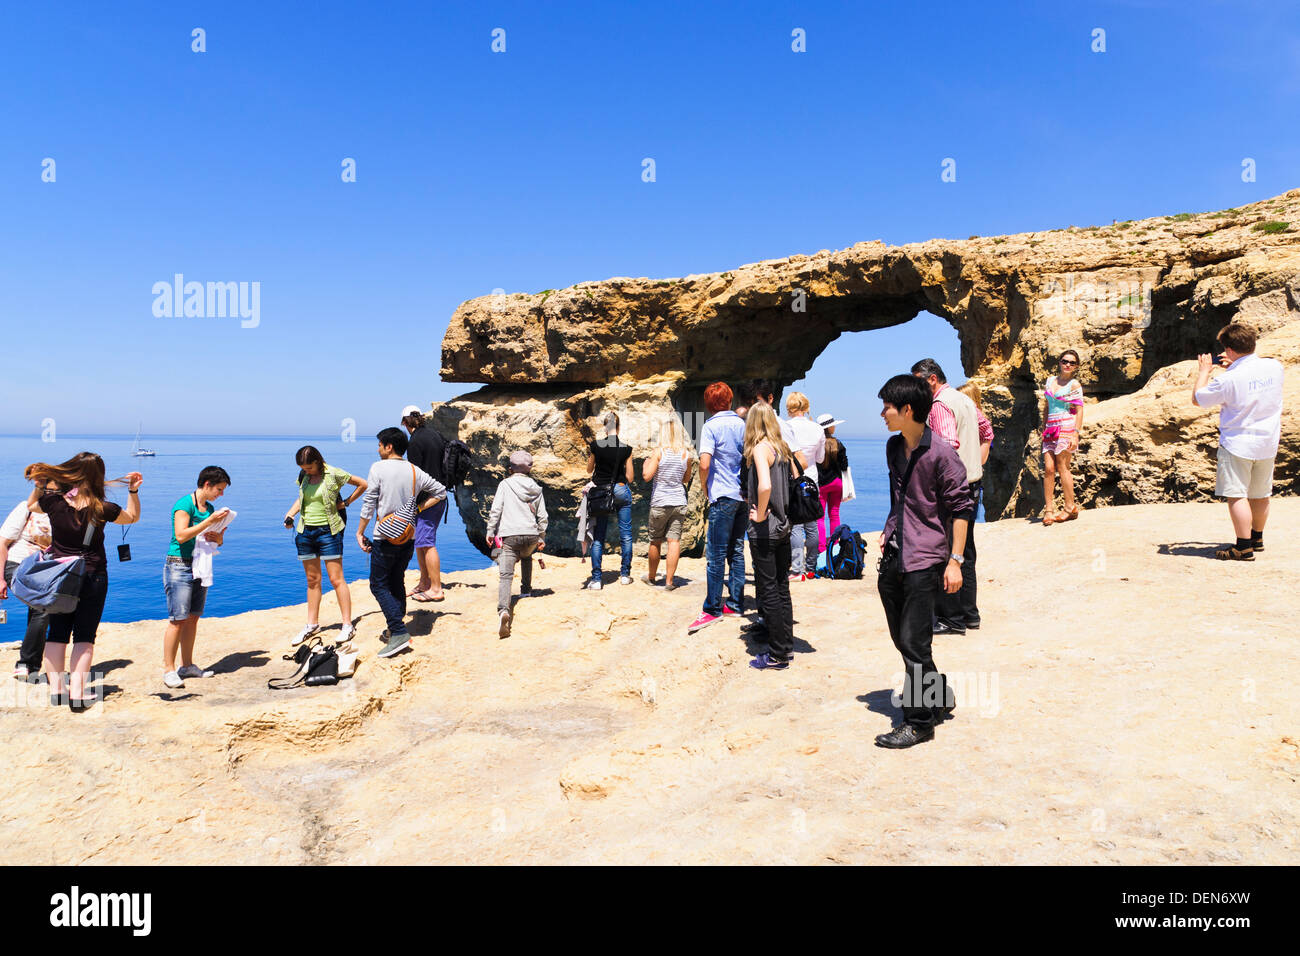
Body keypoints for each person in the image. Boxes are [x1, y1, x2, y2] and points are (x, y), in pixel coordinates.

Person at [874, 375, 974, 749]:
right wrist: (888, 528)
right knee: (904, 640)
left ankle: (918, 723)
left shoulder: (942, 455)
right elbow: (899, 497)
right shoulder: (892, 447)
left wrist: (955, 562)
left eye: (887, 406)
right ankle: (938, 695)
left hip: (927, 558)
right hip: (895, 555)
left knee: (915, 642)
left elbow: (963, 509)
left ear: (908, 410)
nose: (882, 413)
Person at [21, 453, 141, 711]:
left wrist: (40, 485)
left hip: (61, 576)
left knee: (57, 633)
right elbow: (132, 517)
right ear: (98, 476)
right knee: (85, 636)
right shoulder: (103, 508)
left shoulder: (53, 502)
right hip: (93, 574)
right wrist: (132, 491)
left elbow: (31, 507)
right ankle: (77, 694)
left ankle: (57, 692)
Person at [1192, 322, 1285, 560]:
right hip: (1268, 441)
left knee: (1237, 494)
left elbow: (1198, 399)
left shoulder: (1228, 380)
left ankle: (1243, 547)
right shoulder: (1274, 367)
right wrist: (1234, 366)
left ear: (1229, 350)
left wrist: (1204, 371)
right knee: (1261, 493)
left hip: (1238, 443)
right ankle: (1257, 538)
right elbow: (1250, 378)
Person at [356, 427, 446, 658]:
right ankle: (395, 627)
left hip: (385, 535)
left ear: (389, 446)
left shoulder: (378, 468)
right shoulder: (414, 470)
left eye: (379, 445)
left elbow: (369, 502)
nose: (377, 449)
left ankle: (397, 631)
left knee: (378, 584)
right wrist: (417, 508)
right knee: (397, 579)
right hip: (408, 534)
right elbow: (441, 492)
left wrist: (360, 531)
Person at [912, 358, 985, 635]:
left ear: (931, 379)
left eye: (919, 381)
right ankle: (969, 615)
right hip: (972, 483)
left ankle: (950, 619)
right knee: (965, 551)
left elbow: (946, 445)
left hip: (953, 488)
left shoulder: (940, 404)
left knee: (947, 552)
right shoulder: (963, 399)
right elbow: (985, 430)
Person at [283, 446, 367, 648]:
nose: (307, 471)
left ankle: (347, 625)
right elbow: (303, 498)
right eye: (304, 468)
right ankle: (312, 625)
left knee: (336, 579)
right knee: (312, 580)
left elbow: (363, 484)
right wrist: (290, 514)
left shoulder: (334, 474)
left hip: (329, 531)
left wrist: (346, 502)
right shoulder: (303, 476)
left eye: (310, 467)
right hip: (305, 532)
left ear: (318, 462)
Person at [162, 466, 233, 690]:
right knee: (177, 620)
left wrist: (217, 536)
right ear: (206, 485)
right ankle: (168, 669)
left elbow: (214, 539)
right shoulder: (185, 504)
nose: (220, 495)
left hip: (199, 566)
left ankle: (188, 665)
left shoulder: (209, 508)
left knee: (192, 617)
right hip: (179, 565)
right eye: (218, 490)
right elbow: (181, 536)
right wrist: (208, 522)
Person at [690, 383, 747, 632]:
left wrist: (705, 488)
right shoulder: (742, 425)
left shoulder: (711, 426)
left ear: (708, 403)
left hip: (721, 496)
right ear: (730, 400)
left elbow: (704, 464)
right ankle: (735, 604)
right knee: (736, 550)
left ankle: (712, 608)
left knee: (715, 556)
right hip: (742, 497)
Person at [743, 404, 796, 670]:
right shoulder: (782, 448)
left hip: (766, 529)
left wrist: (761, 513)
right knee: (782, 587)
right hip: (784, 526)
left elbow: (765, 485)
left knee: (769, 590)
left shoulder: (760, 449)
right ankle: (786, 647)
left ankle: (777, 655)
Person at [0, 480, 59, 681]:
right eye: (47, 490)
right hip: (17, 565)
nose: (51, 493)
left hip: (45, 571)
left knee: (40, 608)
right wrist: (0, 578)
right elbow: (2, 543)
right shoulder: (26, 508)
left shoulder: (63, 514)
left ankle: (31, 664)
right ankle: (26, 664)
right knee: (42, 607)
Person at [486, 450, 548, 638]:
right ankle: (526, 591)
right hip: (530, 535)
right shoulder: (536, 488)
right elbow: (543, 516)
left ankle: (504, 611)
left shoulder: (505, 484)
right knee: (527, 556)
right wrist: (541, 537)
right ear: (529, 469)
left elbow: (496, 510)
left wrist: (490, 531)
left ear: (511, 468)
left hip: (510, 535)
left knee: (506, 575)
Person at [401, 405, 448, 602]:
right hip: (439, 495)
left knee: (427, 543)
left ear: (404, 423)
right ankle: (424, 582)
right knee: (420, 542)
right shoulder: (435, 434)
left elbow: (415, 476)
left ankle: (436, 588)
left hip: (428, 499)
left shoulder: (414, 442)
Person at [642, 415, 695, 589]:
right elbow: (686, 479)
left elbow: (647, 477)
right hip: (679, 501)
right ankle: (669, 582)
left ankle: (651, 577)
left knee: (655, 541)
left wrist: (645, 465)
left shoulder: (659, 452)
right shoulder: (686, 454)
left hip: (660, 502)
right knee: (674, 541)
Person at [585, 412, 635, 589]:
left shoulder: (596, 446)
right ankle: (624, 575)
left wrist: (594, 458)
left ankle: (597, 579)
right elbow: (630, 476)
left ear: (605, 428)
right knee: (626, 534)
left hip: (601, 492)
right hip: (620, 488)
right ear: (618, 427)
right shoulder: (626, 448)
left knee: (599, 535)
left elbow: (589, 470)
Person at [779, 392, 824, 580]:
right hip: (812, 480)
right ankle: (811, 567)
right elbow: (820, 458)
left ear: (789, 407)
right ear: (806, 407)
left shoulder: (786, 426)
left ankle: (797, 569)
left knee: (796, 527)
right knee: (812, 525)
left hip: (793, 479)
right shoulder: (817, 428)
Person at [1039, 350, 1085, 526]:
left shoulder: (1074, 385)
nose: (1068, 365)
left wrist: (1076, 433)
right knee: (1049, 468)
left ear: (1076, 366)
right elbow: (1046, 406)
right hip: (1050, 427)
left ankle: (1069, 507)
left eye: (1072, 363)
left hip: (1066, 427)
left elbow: (1079, 410)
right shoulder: (1050, 381)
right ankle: (1049, 509)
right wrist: (1043, 426)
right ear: (1059, 362)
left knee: (1063, 466)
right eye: (1065, 361)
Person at [815, 413, 848, 553]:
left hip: (822, 484)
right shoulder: (838, 444)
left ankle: (822, 548)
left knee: (820, 517)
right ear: (830, 428)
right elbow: (844, 466)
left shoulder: (818, 444)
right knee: (834, 514)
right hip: (837, 483)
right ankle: (835, 545)